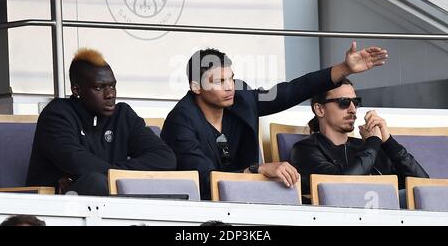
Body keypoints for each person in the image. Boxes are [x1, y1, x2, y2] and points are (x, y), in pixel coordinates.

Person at [161, 42, 388, 199]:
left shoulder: (241, 99)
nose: (230, 86)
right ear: (196, 87)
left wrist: (345, 68)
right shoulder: (180, 122)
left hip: (247, 201)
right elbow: (204, 180)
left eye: (231, 78)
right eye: (219, 81)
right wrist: (258, 169)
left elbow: (291, 91)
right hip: (201, 212)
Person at [26, 48, 176, 196]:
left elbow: (165, 158)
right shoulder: (57, 115)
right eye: (99, 87)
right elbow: (80, 165)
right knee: (97, 182)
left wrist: (116, 173)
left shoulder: (123, 115)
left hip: (107, 197)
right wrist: (122, 175)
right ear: (76, 90)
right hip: (54, 204)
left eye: (112, 86)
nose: (110, 94)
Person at [290, 78, 429, 201]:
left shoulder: (368, 147)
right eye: (343, 102)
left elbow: (424, 189)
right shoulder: (305, 149)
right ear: (320, 109)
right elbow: (340, 185)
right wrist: (373, 141)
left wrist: (388, 142)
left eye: (355, 102)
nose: (353, 109)